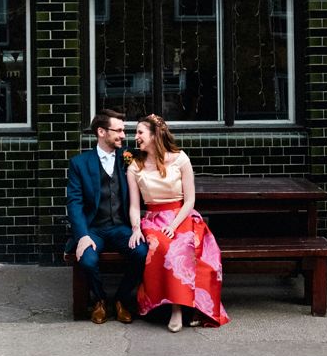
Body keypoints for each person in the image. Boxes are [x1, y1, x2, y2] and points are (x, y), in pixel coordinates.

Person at [127, 113, 230, 332]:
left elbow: (190, 199)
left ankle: (184, 307)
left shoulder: (180, 159)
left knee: (186, 247)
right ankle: (175, 308)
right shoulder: (134, 167)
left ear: (155, 135)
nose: (135, 137)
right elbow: (135, 205)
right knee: (165, 247)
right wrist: (136, 228)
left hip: (182, 215)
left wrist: (173, 225)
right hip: (153, 220)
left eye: (140, 132)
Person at [66, 109, 148, 325]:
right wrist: (82, 235)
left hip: (121, 227)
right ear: (101, 132)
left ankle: (121, 299)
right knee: (87, 259)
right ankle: (100, 300)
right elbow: (74, 203)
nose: (123, 135)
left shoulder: (128, 157)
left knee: (141, 253)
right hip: (94, 228)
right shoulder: (79, 163)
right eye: (118, 130)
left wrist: (136, 227)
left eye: (124, 130)